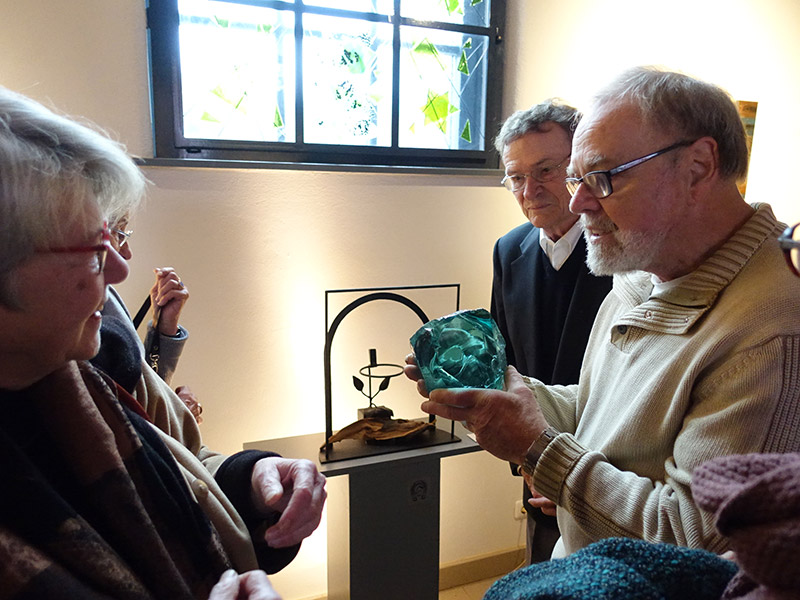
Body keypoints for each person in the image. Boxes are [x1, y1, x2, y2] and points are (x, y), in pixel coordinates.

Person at [406, 66, 800, 557]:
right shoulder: (642, 269)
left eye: (602, 178)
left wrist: (539, 448)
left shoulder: (772, 330)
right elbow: (598, 409)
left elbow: (691, 543)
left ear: (698, 167)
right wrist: (507, 396)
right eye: (576, 178)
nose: (578, 202)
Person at [0, 86, 325, 599]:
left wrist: (256, 478)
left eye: (115, 237)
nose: (121, 268)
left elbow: (188, 460)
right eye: (94, 249)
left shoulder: (93, 357)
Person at [492, 99, 612, 564]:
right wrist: (527, 458)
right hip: (534, 465)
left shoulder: (625, 252)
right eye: (516, 177)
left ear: (579, 166)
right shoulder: (509, 250)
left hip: (610, 477)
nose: (530, 189)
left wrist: (570, 472)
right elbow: (504, 362)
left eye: (545, 170)